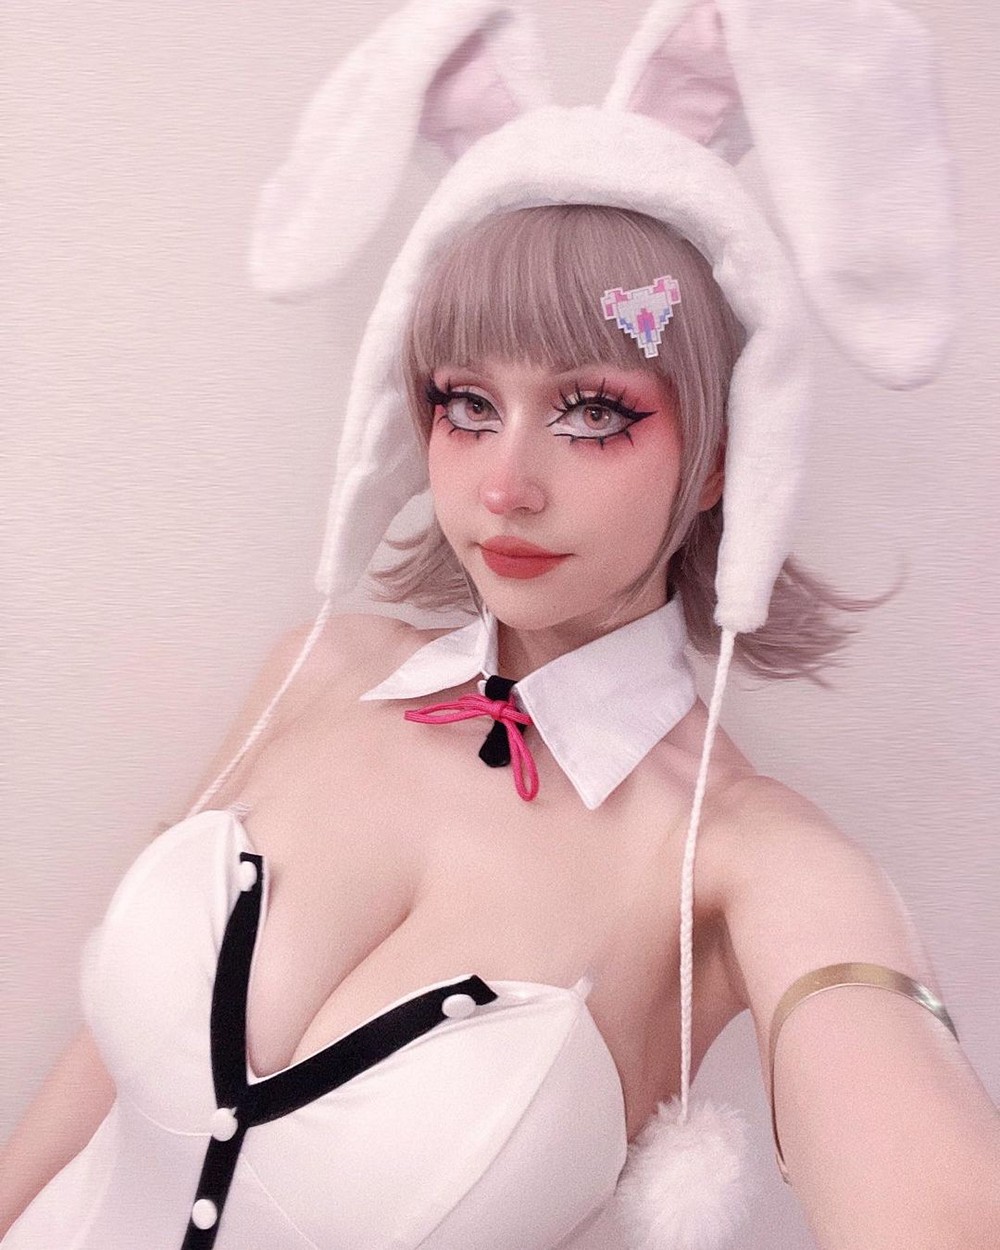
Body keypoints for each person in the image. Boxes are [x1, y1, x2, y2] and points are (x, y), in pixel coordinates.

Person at [2, 2, 998, 1248]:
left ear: (717, 461)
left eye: (594, 412)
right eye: (466, 403)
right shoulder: (316, 672)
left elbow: (929, 1190)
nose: (506, 485)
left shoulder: (749, 858)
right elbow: (103, 1066)